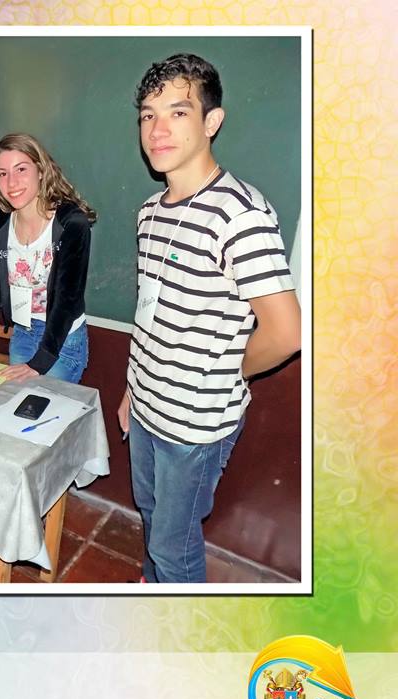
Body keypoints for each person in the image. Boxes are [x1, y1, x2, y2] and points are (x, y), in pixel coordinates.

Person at [117, 54, 301, 583]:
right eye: (148, 115)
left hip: (195, 425)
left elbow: (287, 332)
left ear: (211, 121)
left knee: (173, 547)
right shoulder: (150, 213)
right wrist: (133, 389)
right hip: (147, 405)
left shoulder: (240, 215)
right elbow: (151, 314)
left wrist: (227, 373)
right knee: (151, 518)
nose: (158, 130)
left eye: (178, 112)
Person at [0, 133, 96, 383]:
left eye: (21, 169)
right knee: (18, 405)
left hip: (62, 341)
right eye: (2, 173)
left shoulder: (71, 224)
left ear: (41, 170)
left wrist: (41, 361)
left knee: (42, 406)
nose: (12, 182)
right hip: (23, 333)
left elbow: (67, 298)